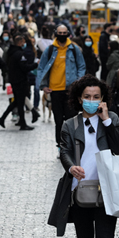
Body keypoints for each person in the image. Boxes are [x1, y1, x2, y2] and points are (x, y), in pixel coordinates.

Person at [49, 75, 119, 238]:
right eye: (87, 97)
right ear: (79, 98)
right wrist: (70, 166)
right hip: (80, 192)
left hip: (107, 191)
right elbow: (64, 151)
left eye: (96, 97)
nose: (91, 101)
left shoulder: (111, 119)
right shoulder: (69, 125)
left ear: (103, 99)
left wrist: (105, 121)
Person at [36, 24, 87, 153]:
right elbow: (41, 67)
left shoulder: (75, 49)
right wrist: (43, 86)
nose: (62, 35)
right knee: (58, 120)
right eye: (60, 33)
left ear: (68, 34)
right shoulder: (50, 50)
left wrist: (78, 82)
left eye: (65, 33)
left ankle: (71, 144)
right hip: (55, 90)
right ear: (56, 33)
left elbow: (81, 66)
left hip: (70, 90)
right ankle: (60, 145)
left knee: (71, 119)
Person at [0, 36, 39, 130]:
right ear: (20, 43)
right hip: (20, 81)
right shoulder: (19, 54)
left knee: (17, 101)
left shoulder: (11, 52)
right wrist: (35, 65)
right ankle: (22, 123)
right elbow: (24, 68)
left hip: (14, 79)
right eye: (23, 42)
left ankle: (4, 118)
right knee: (19, 102)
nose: (24, 44)